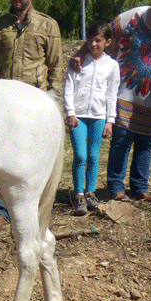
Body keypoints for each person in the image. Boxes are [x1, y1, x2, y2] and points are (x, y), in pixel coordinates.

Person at [0, 0, 62, 227]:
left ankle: (40, 213)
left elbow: (56, 67)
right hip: (4, 104)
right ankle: (2, 210)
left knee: (36, 160)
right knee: (2, 157)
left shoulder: (48, 26)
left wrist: (53, 99)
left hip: (35, 103)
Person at [62, 23, 119, 215]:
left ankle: (90, 193)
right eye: (90, 40)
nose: (93, 44)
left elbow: (112, 94)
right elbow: (69, 87)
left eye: (98, 40)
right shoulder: (78, 62)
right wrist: (70, 112)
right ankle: (78, 195)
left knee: (93, 156)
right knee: (80, 155)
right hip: (78, 116)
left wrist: (110, 120)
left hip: (98, 116)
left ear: (107, 42)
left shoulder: (112, 65)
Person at [104, 2, 151, 202]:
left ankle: (140, 187)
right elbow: (105, 35)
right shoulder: (135, 16)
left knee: (146, 143)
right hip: (125, 91)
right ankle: (116, 187)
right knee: (122, 139)